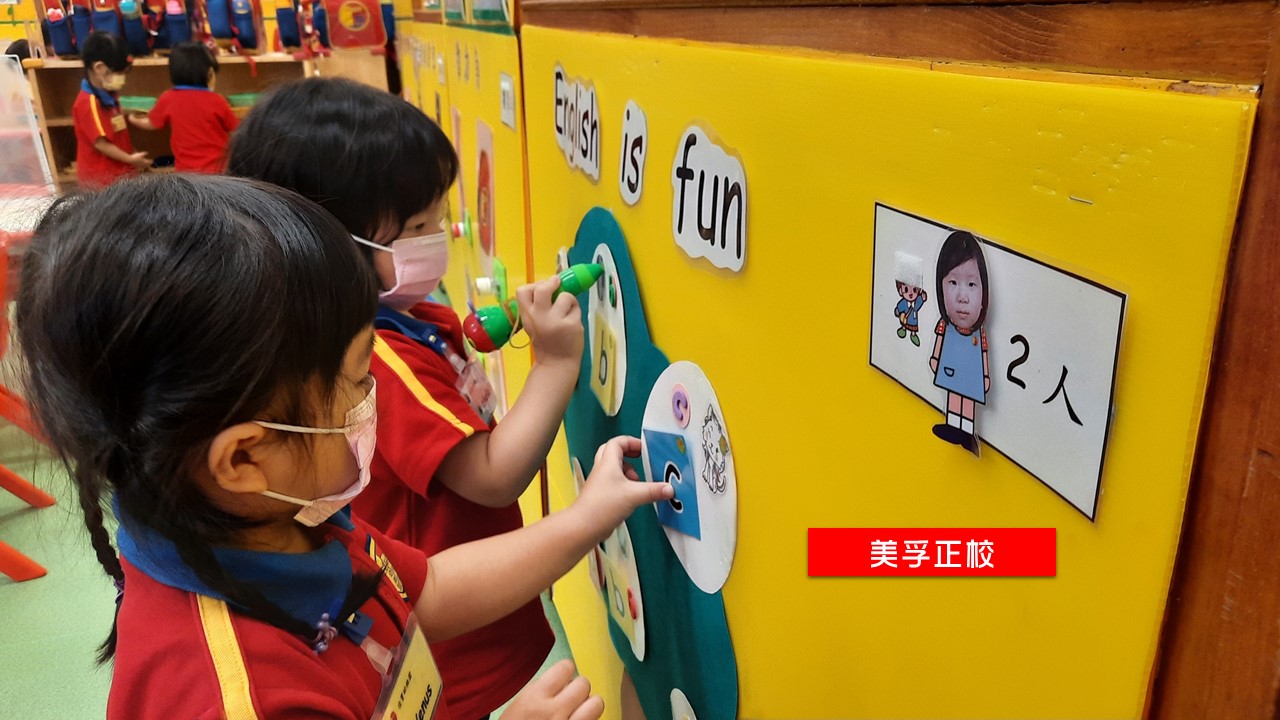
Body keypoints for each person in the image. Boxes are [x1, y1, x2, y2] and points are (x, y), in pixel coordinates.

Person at [17, 173, 672, 720]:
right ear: (244, 459)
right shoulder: (246, 698)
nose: (374, 398)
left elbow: (428, 590)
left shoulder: (275, 520)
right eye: (360, 378)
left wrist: (587, 518)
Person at [228, 77, 584, 719]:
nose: (440, 235)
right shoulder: (382, 356)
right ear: (331, 246)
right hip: (450, 633)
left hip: (449, 598)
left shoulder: (411, 318)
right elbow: (494, 475)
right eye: (419, 227)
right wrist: (556, 364)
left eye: (439, 217)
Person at [129, 41, 238, 173]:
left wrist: (133, 119)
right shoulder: (217, 100)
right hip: (218, 169)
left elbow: (152, 123)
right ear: (209, 73)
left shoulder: (168, 98)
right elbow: (235, 131)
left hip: (186, 171)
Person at [929, 230, 991, 456]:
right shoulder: (946, 327)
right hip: (951, 372)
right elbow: (939, 346)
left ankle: (967, 431)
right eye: (953, 282)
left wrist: (985, 377)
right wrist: (935, 359)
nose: (962, 297)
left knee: (968, 400)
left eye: (972, 285)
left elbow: (983, 355)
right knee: (954, 398)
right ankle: (954, 426)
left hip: (971, 377)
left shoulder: (979, 334)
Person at [72, 31, 149, 187]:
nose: (122, 79)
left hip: (120, 175)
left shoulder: (110, 95)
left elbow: (117, 134)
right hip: (101, 181)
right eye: (119, 73)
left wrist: (132, 154)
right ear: (99, 68)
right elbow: (101, 143)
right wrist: (130, 159)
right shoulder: (89, 103)